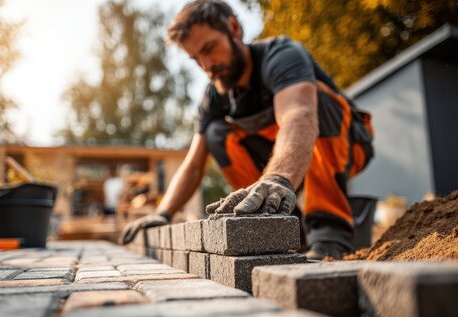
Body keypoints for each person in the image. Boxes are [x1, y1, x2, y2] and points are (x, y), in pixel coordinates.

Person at [121, 0, 373, 260]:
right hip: (289, 161)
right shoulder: (215, 98)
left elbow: (299, 115)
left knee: (317, 100)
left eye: (209, 48)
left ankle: (329, 237)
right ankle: (285, 227)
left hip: (349, 144)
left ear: (234, 28)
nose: (207, 66)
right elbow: (193, 165)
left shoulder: (281, 55)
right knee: (215, 133)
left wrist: (277, 179)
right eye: (196, 59)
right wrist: (162, 213)